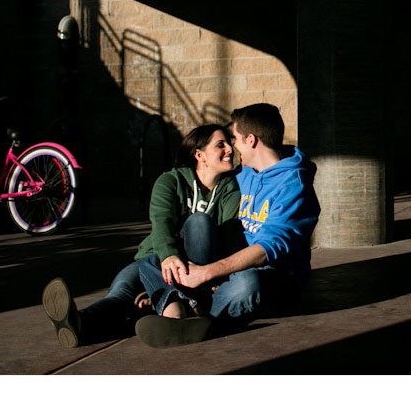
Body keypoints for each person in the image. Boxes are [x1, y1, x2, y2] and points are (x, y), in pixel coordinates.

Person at [134, 103, 320, 348]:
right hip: (229, 270)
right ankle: (186, 308)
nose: (233, 147)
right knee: (153, 260)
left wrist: (210, 272)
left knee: (248, 284)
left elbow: (267, 249)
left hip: (273, 275)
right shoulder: (243, 175)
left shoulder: (294, 186)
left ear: (251, 140)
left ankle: (183, 310)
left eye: (235, 139)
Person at [41, 123, 241, 347]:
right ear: (199, 154)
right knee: (122, 294)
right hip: (158, 260)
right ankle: (79, 322)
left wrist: (218, 273)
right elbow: (161, 222)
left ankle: (178, 311)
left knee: (199, 222)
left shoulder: (230, 189)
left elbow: (229, 235)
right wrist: (168, 256)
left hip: (196, 271)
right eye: (220, 145)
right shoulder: (170, 181)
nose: (230, 149)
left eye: (230, 143)